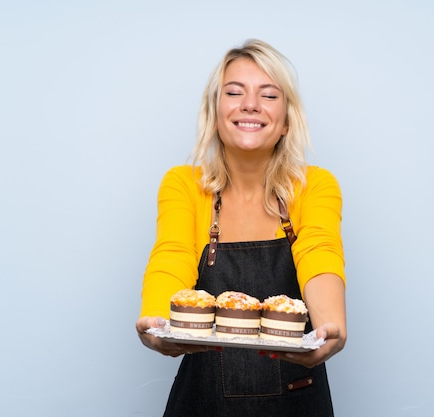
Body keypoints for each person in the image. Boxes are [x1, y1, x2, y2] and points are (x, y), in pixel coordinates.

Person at [135, 39, 347, 417]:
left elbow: (319, 253)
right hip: (203, 403)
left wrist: (330, 326)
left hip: (298, 402)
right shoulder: (184, 185)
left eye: (268, 95)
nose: (250, 104)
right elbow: (172, 256)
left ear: (285, 122)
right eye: (234, 92)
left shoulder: (314, 186)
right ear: (215, 113)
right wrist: (156, 319)